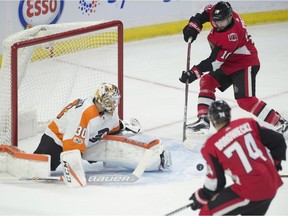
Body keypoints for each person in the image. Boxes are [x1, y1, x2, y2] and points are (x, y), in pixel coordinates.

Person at [179, 1, 288, 135]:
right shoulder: (218, 12)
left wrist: (194, 72)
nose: (220, 25)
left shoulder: (232, 36)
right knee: (207, 81)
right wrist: (193, 26)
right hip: (229, 61)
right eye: (217, 22)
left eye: (223, 22)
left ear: (230, 18)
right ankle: (203, 120)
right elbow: (204, 13)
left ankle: (281, 123)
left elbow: (214, 62)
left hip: (245, 62)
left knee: (245, 100)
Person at [34, 82, 171, 172]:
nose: (114, 103)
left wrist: (124, 129)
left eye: (116, 100)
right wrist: (75, 173)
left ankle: (155, 159)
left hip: (87, 142)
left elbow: (115, 130)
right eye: (111, 100)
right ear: (102, 100)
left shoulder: (110, 113)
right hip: (57, 140)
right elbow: (71, 146)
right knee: (40, 169)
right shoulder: (85, 113)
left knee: (116, 147)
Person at [188, 100, 286, 215]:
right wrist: (275, 165)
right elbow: (278, 140)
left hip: (250, 190)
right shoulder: (248, 123)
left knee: (207, 213)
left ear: (212, 119)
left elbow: (216, 183)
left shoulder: (211, 146)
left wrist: (201, 196)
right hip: (271, 183)